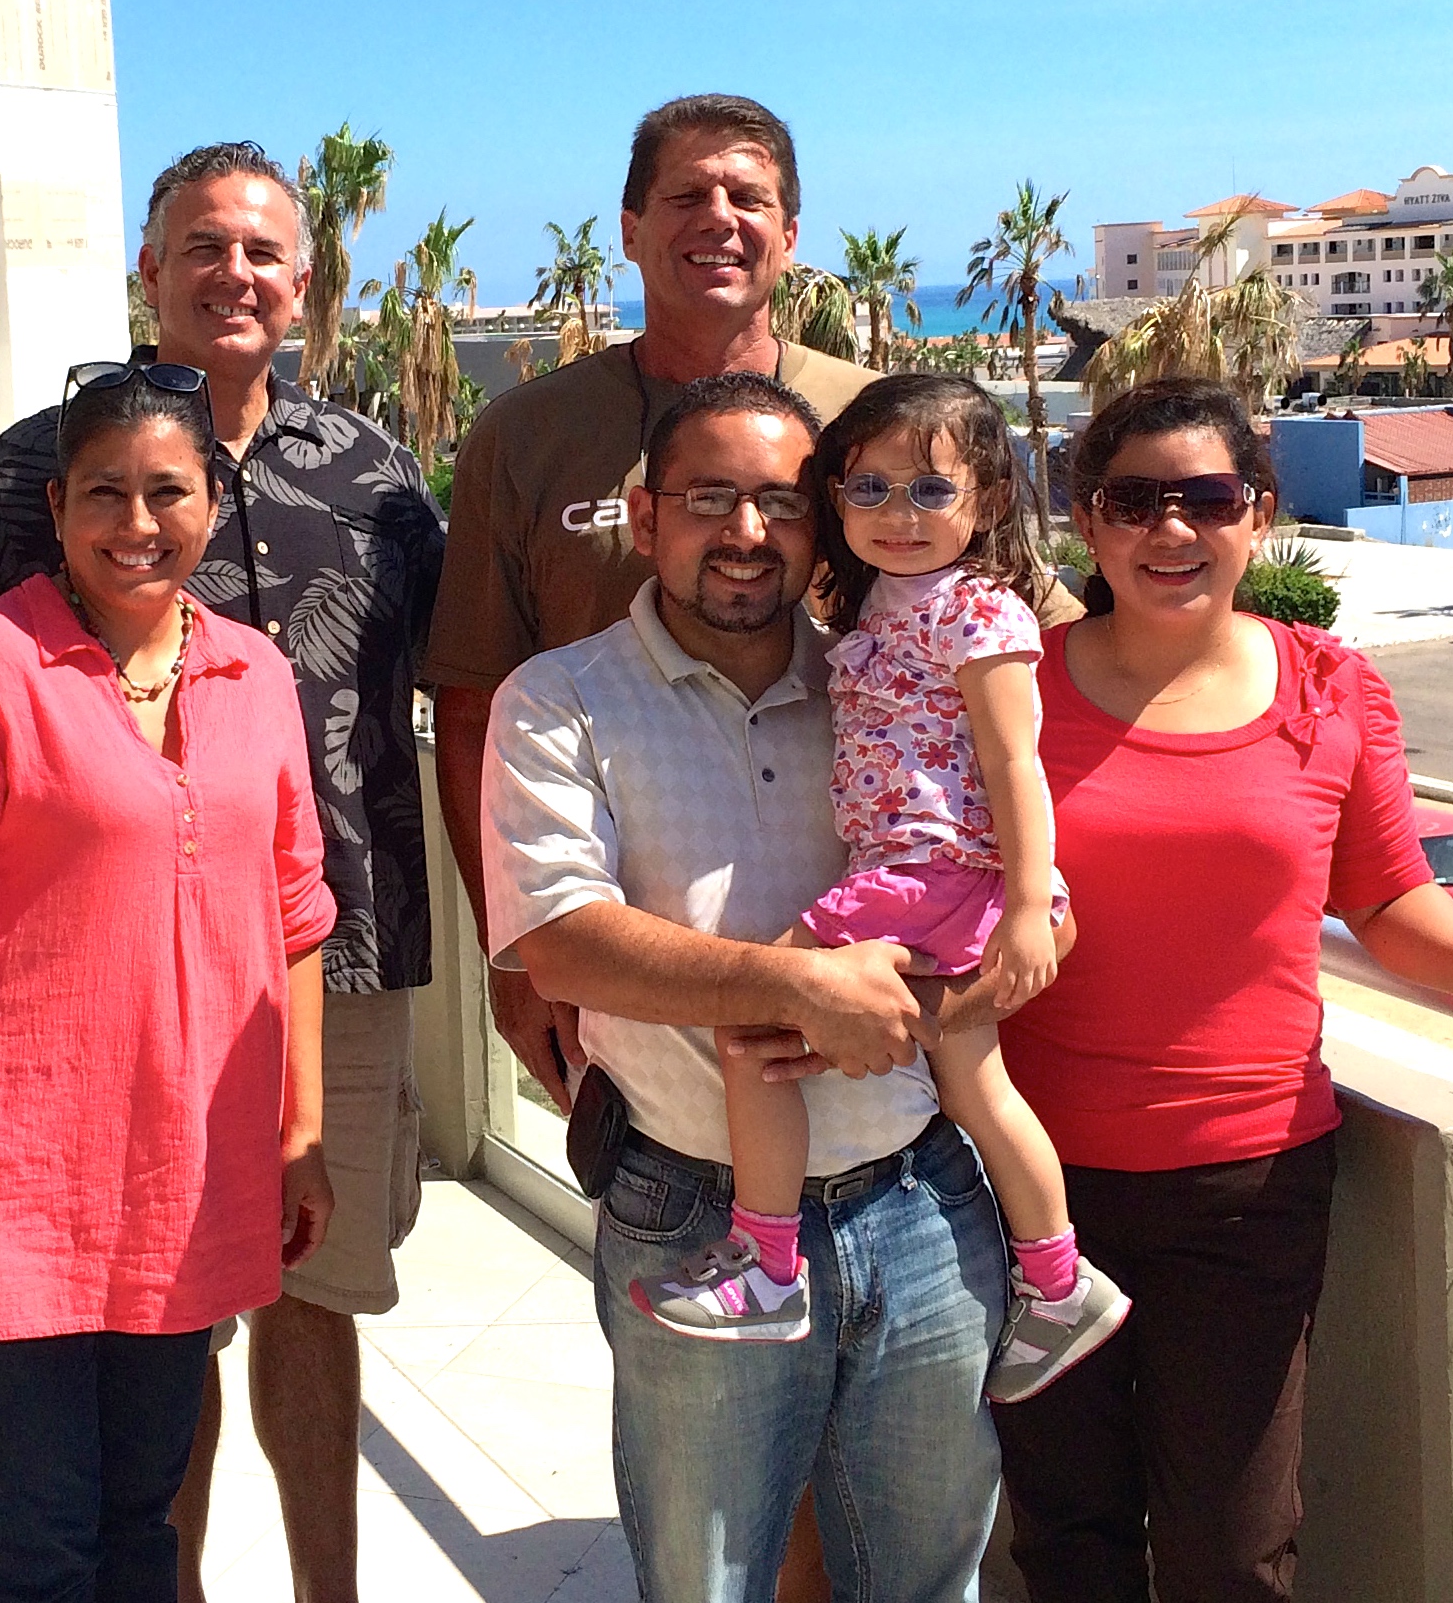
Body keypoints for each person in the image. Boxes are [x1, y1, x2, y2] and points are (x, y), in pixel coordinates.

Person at [0, 140, 443, 1603]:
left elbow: (442, 683)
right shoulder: (23, 476)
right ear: (150, 269)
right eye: (200, 246)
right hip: (83, 1001)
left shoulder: (374, 474)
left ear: (303, 281)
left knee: (306, 1298)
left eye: (261, 251)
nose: (232, 273)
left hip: (319, 960)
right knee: (106, 1416)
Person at [993, 377, 1453, 1603]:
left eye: (1209, 498)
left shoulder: (1330, 689)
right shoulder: (1010, 691)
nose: (1173, 531)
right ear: (1087, 521)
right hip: (1033, 1189)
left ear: (1260, 514)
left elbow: (1390, 905)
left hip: (1251, 1184)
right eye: (1134, 501)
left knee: (1236, 1549)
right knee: (1070, 1535)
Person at [485, 372, 1007, 1602]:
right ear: (642, 512)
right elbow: (560, 941)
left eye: (780, 500)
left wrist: (948, 994)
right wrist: (798, 989)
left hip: (922, 1201)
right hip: (694, 1210)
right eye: (709, 497)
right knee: (706, 1579)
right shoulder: (559, 700)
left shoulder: (894, 684)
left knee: (929, 1579)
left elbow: (1017, 897)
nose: (746, 532)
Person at [0, 361, 337, 1603]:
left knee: (141, 1527)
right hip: (6, 1189)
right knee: (40, 1546)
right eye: (104, 493)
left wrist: (304, 1133)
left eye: (167, 491)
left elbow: (296, 917)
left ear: (210, 506)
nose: (136, 523)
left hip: (185, 1181)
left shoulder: (253, 673)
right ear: (56, 508)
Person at [632, 372, 1130, 1399]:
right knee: (977, 1084)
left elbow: (1015, 765)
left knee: (756, 1023)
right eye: (868, 490)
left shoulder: (980, 614)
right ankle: (1057, 1278)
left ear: (988, 502)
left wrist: (1033, 905)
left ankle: (768, 1266)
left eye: (930, 492)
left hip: (927, 874)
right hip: (916, 876)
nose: (898, 516)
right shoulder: (875, 612)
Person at [430, 95, 877, 1118]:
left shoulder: (876, 422)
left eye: (747, 196)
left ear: (790, 233)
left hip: (855, 983)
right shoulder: (527, 434)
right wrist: (512, 958)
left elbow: (1017, 639)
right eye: (685, 194)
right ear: (630, 230)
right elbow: (469, 705)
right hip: (623, 995)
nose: (718, 217)